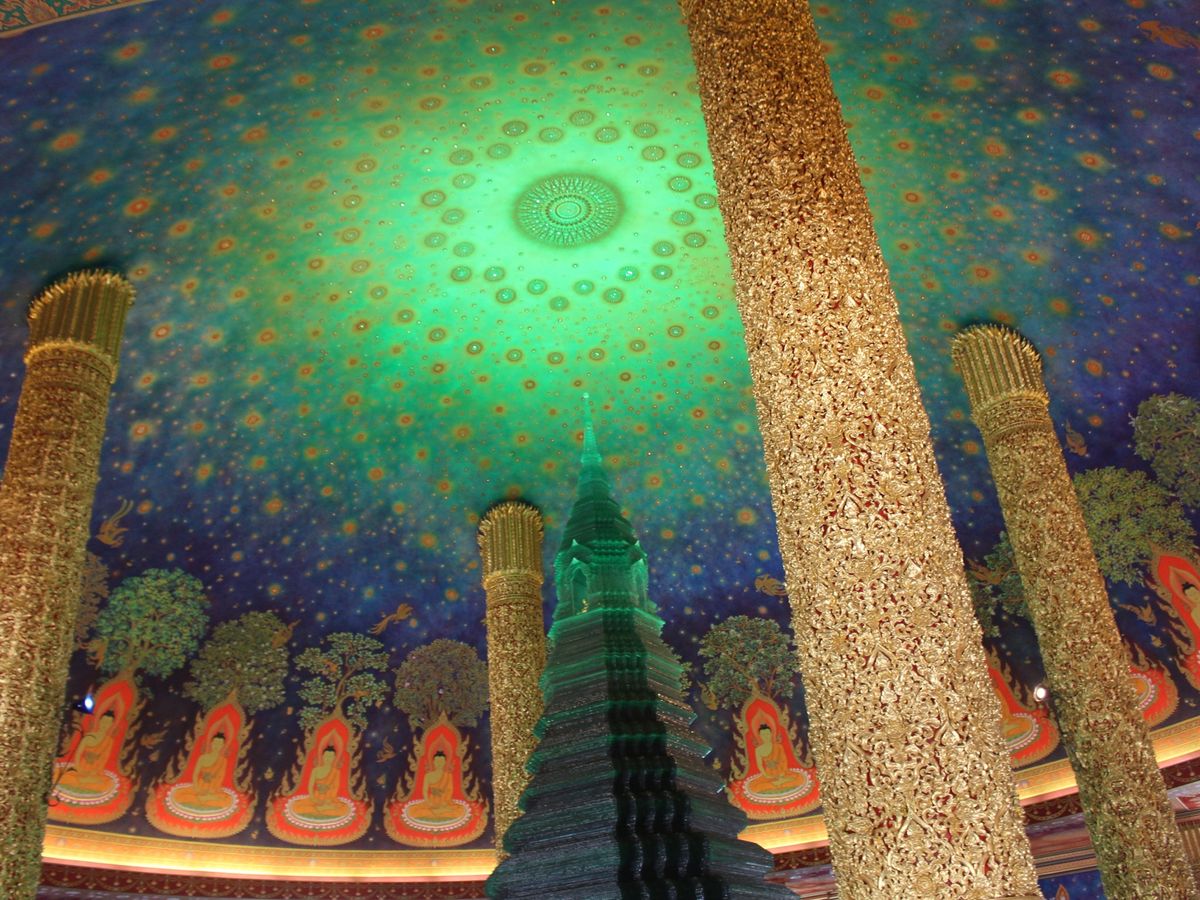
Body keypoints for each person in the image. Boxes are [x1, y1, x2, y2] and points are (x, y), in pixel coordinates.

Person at [171, 731, 232, 813]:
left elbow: (220, 777)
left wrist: (213, 790)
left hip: (213, 788)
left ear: (222, 745)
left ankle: (205, 798)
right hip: (200, 785)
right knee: (178, 795)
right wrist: (197, 788)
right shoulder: (203, 757)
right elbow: (195, 774)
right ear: (211, 743)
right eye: (215, 743)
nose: (216, 746)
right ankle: (204, 798)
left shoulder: (223, 760)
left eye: (219, 744)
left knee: (228, 801)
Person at [58, 710, 116, 795]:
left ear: (111, 725)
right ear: (100, 721)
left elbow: (104, 758)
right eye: (103, 721)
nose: (104, 725)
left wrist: (95, 771)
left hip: (94, 772)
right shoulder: (89, 736)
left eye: (108, 723)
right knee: (62, 776)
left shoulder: (109, 741)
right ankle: (83, 780)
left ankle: (83, 781)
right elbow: (78, 754)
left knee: (108, 782)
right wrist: (79, 769)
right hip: (80, 769)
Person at [406, 750, 459, 822]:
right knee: (413, 811)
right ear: (433, 762)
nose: (439, 763)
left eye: (441, 761)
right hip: (431, 801)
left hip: (444, 802)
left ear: (445, 762)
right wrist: (428, 802)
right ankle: (439, 811)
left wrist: (444, 802)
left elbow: (449, 791)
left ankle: (439, 811)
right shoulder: (428, 776)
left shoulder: (448, 776)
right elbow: (425, 790)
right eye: (437, 761)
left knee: (458, 811)